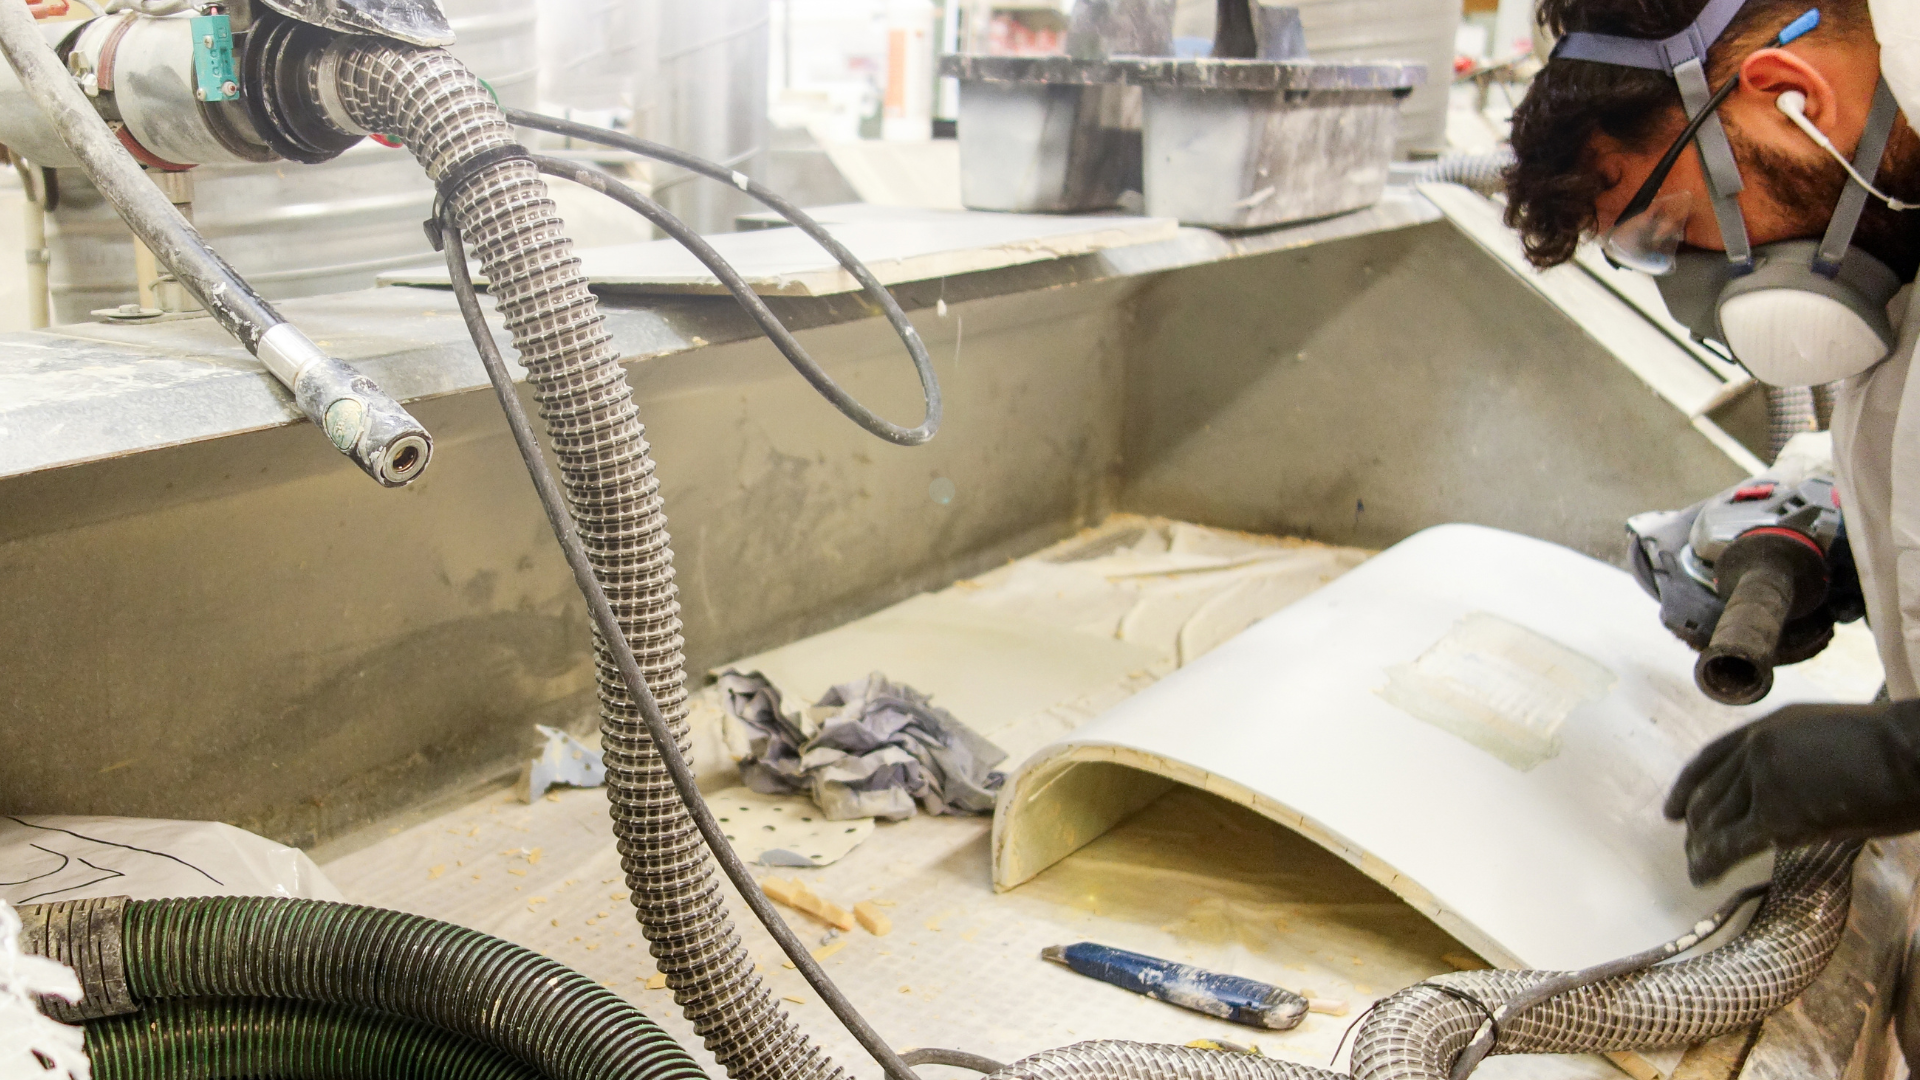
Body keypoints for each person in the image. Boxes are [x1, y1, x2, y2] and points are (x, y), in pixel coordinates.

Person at [1504, 0, 1920, 883]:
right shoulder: (1897, 225)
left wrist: (1903, 760)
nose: (1697, 292)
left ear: (1792, 98)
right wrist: (1848, 537)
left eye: (1667, 231)